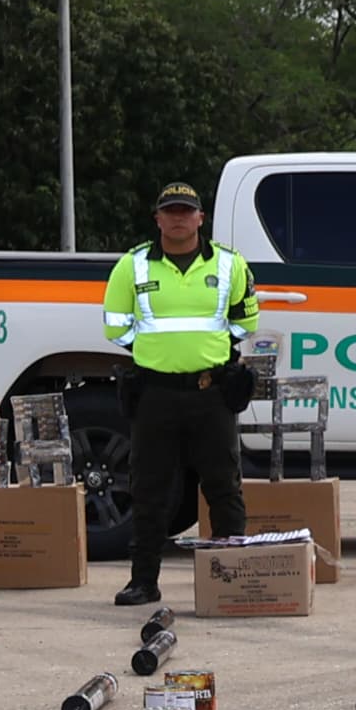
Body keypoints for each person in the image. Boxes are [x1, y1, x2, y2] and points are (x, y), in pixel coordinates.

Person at [100, 181, 260, 606]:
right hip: (156, 394)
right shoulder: (131, 267)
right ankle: (143, 581)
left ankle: (229, 581)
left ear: (200, 218)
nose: (177, 218)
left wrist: (211, 353)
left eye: (185, 211)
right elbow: (116, 326)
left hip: (212, 394)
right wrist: (159, 354)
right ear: (158, 219)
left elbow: (247, 320)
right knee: (149, 491)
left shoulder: (229, 265)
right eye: (169, 211)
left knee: (223, 487)